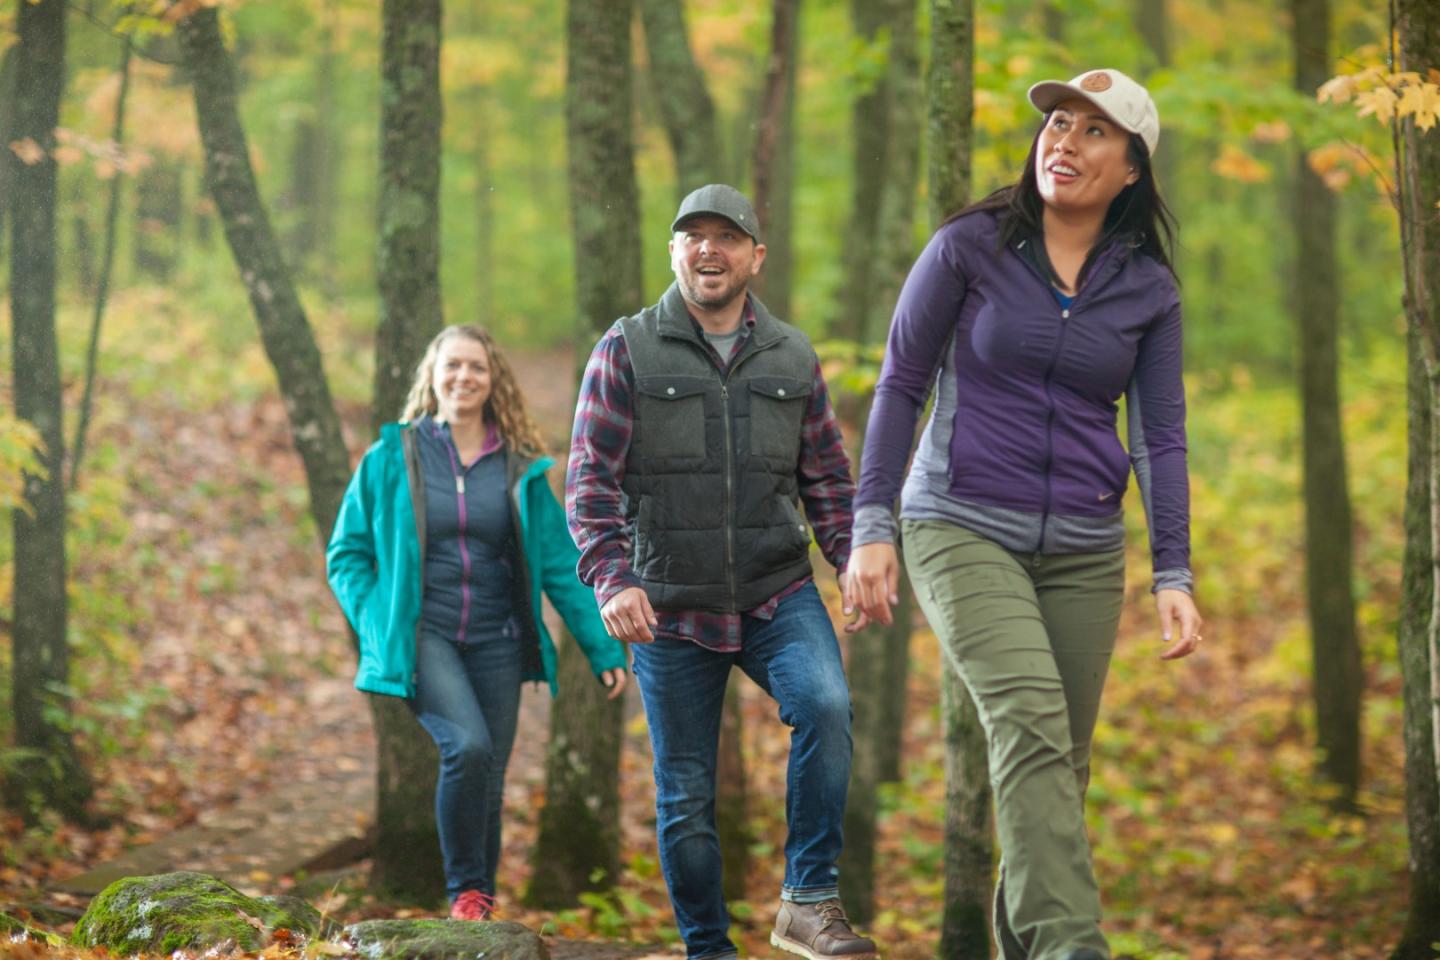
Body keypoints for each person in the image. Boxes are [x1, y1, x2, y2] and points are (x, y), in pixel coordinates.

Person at [844, 69, 1203, 960]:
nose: (1064, 142)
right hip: (959, 522)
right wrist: (872, 524)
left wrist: (1173, 570)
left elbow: (1160, 436)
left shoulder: (1149, 288)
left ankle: (1023, 944)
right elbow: (899, 383)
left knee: (1057, 768)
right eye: (1057, 124)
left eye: (1093, 132)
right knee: (1032, 726)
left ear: (1131, 168)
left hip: (1083, 548)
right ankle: (1072, 947)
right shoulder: (971, 246)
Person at [566, 184, 878, 960]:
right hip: (669, 605)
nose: (709, 249)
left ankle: (808, 901)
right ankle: (708, 950)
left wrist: (853, 560)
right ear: (674, 251)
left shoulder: (793, 355)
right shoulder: (628, 347)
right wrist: (612, 576)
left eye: (727, 237)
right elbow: (588, 479)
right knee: (685, 799)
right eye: (693, 236)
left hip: (778, 591)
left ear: (755, 256)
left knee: (827, 705)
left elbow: (829, 481)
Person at [326, 325, 628, 921]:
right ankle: (464, 890)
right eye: (453, 366)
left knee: (490, 774)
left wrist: (603, 647)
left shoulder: (518, 470)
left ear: (494, 383)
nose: (464, 377)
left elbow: (563, 568)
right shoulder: (392, 457)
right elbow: (347, 553)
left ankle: (478, 905)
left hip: (498, 638)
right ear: (432, 376)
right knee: (466, 747)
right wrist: (376, 619)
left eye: (477, 368)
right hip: (424, 635)